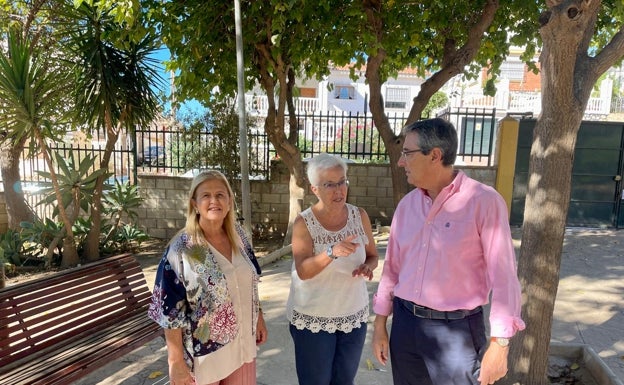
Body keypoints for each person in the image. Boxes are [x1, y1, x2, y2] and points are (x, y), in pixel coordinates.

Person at [372, 118, 525, 385]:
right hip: (406, 326)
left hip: (457, 333)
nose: (400, 162)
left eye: (407, 153)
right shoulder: (408, 205)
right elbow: (392, 269)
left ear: (435, 155)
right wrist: (379, 323)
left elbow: (504, 277)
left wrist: (500, 344)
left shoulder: (484, 202)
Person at [148, 170, 268, 385]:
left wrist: (258, 315)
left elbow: (251, 280)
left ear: (230, 202)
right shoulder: (181, 250)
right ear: (195, 203)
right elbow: (169, 313)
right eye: (206, 196)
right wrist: (175, 362)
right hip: (204, 358)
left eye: (220, 195)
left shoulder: (239, 236)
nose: (214, 201)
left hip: (242, 346)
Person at [286, 153, 379, 385]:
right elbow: (304, 271)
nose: (339, 190)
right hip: (314, 319)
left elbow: (373, 256)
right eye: (330, 184)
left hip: (353, 316)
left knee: (344, 381)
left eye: (342, 181)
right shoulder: (303, 223)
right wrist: (331, 252)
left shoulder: (360, 216)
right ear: (315, 189)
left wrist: (367, 267)